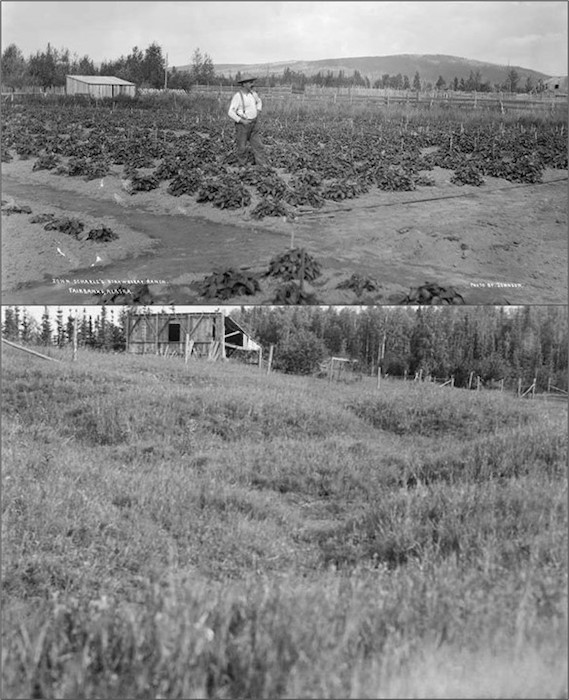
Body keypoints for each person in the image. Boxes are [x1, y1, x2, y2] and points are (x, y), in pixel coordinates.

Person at [227, 75, 269, 167]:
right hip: (243, 125)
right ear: (244, 84)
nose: (252, 84)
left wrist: (258, 110)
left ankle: (261, 165)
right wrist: (241, 120)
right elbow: (230, 112)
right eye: (250, 83)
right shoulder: (238, 96)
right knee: (242, 147)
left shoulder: (253, 94)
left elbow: (259, 101)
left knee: (258, 145)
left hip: (254, 124)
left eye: (252, 82)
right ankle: (242, 166)